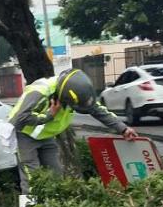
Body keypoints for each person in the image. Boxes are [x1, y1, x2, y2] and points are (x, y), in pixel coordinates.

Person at [7, 69, 138, 193]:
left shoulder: (73, 91)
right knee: (31, 181)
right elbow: (19, 117)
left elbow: (96, 110)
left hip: (46, 137)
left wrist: (123, 128)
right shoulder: (40, 91)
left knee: (56, 177)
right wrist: (49, 115)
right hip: (25, 136)